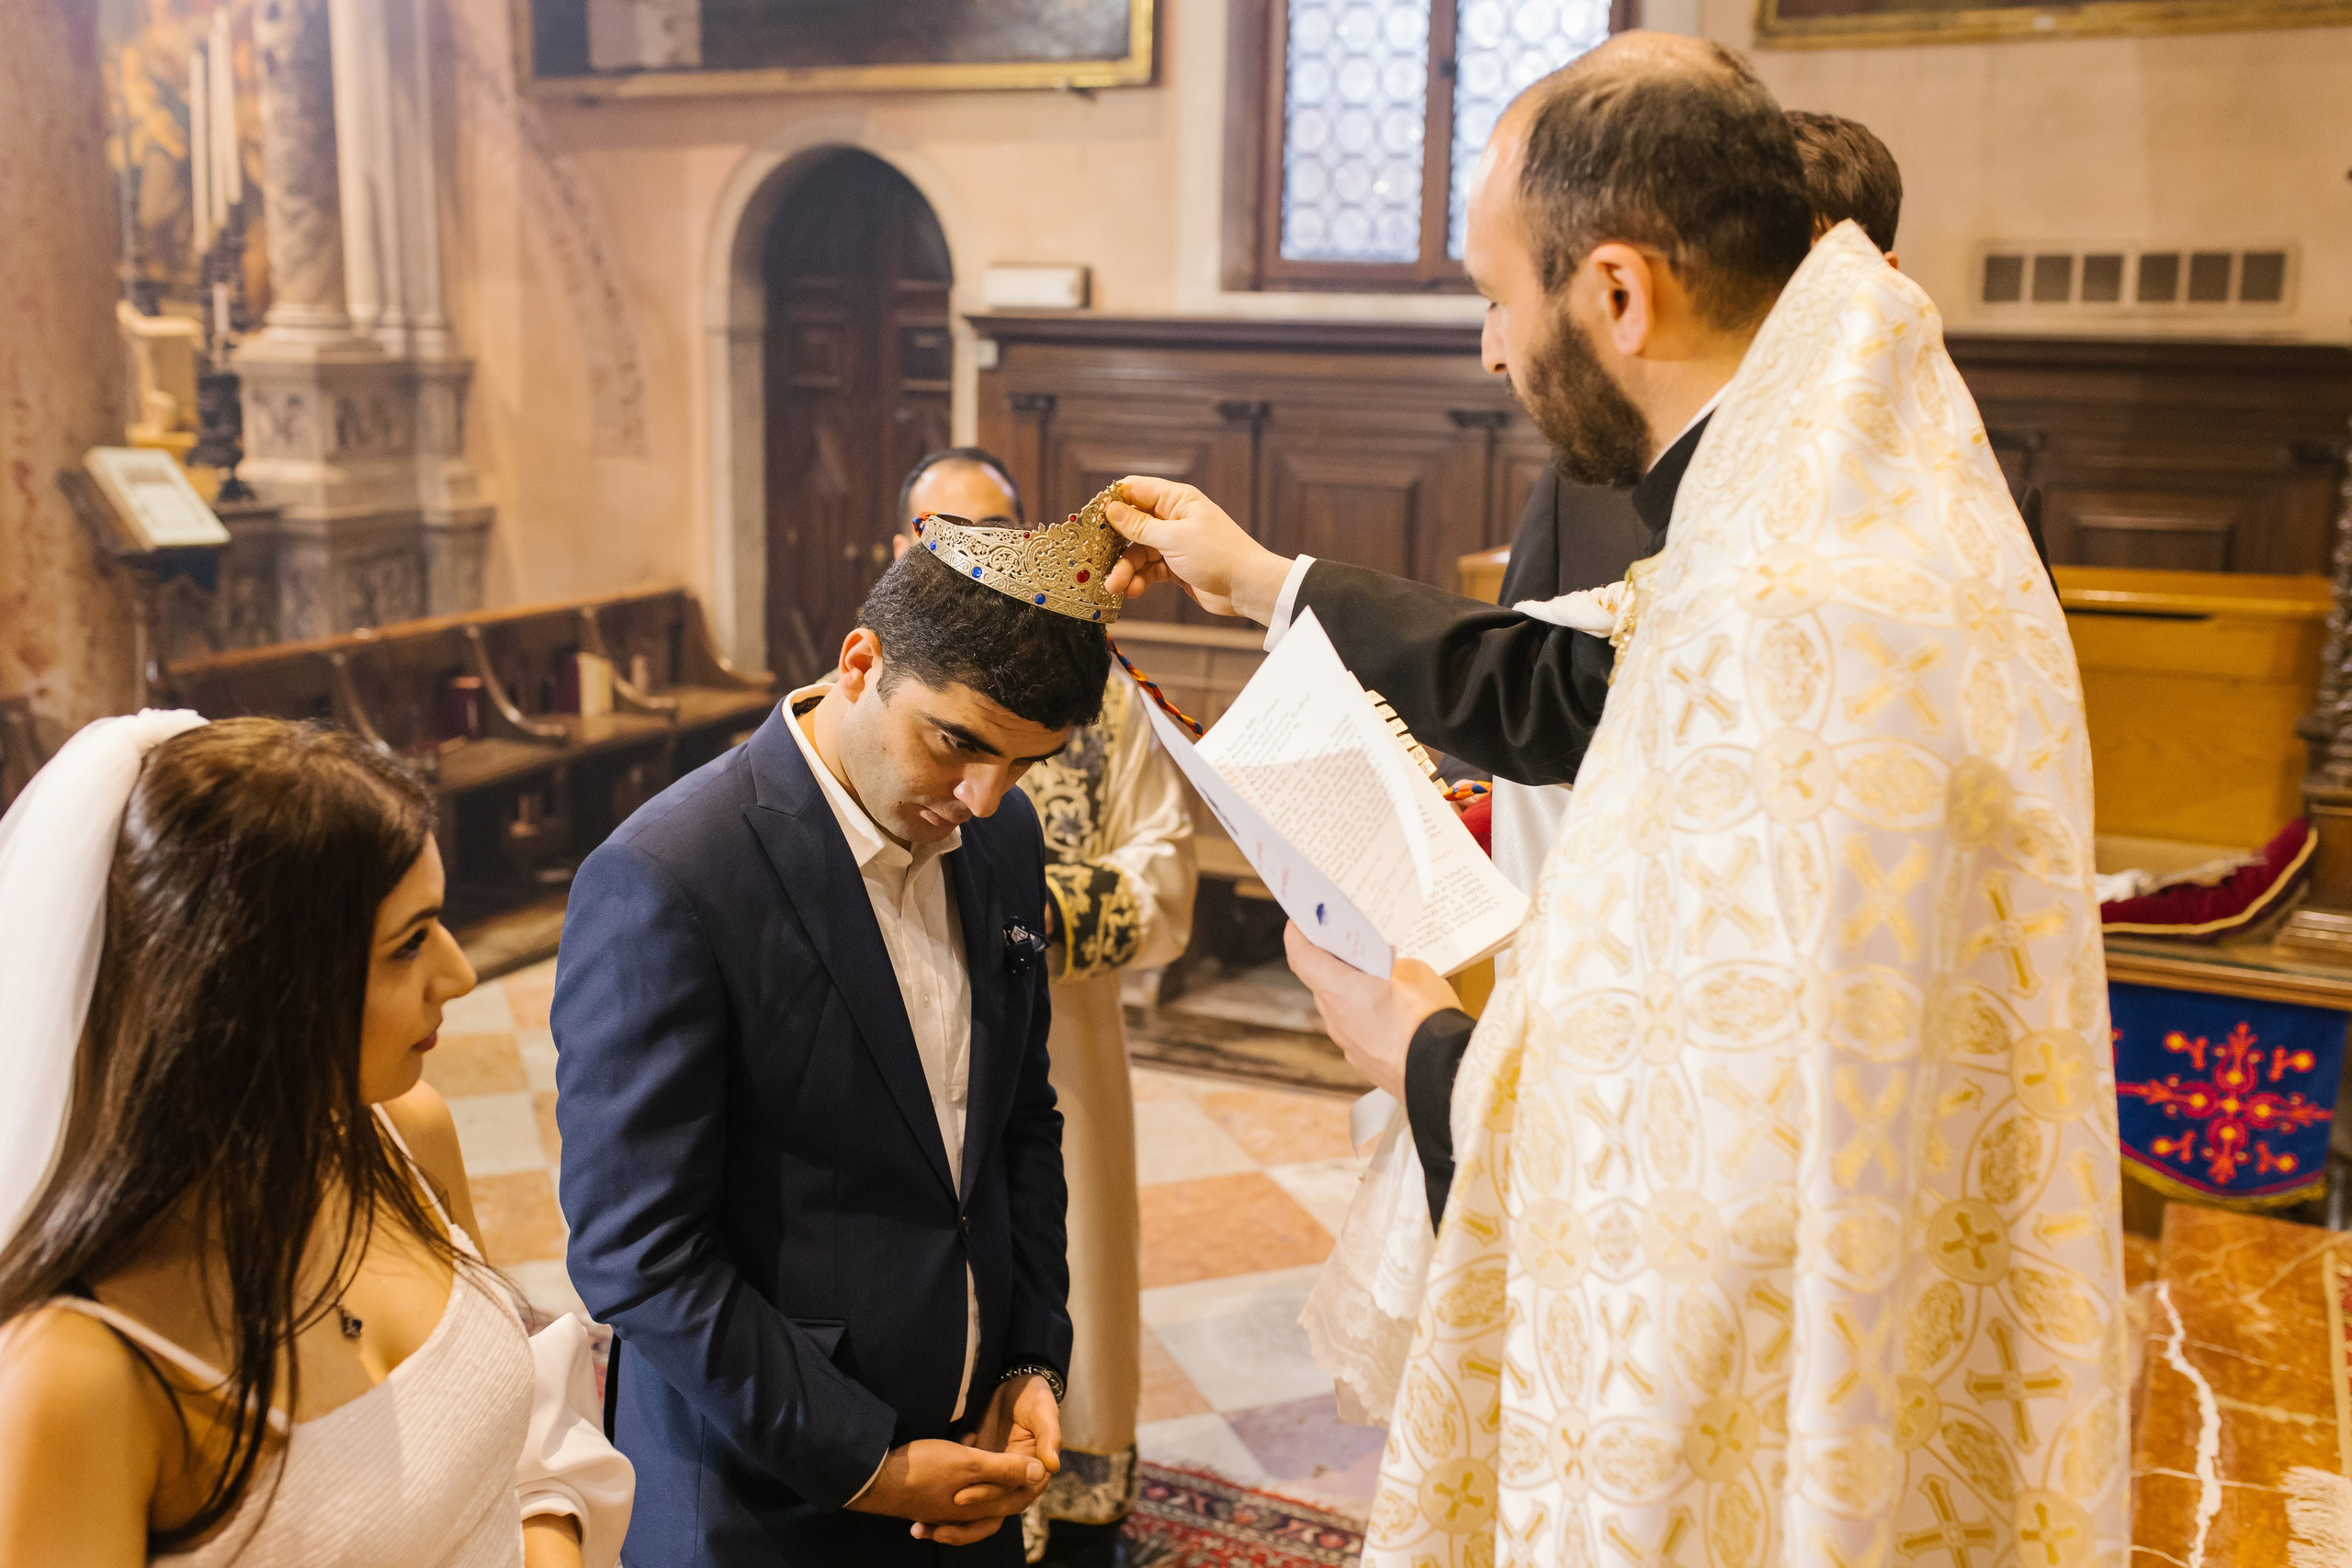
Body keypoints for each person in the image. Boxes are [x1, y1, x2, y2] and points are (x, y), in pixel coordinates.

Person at [1110, 34, 2125, 1568]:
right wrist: (1261, 580)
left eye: (1495, 294)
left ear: (1621, 294)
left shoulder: (1791, 601)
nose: (1489, 349)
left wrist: (1417, 1049)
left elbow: (1709, 1148)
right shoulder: (1840, 498)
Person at [554, 500, 1133, 1564]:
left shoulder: (1001, 834)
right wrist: (867, 1460)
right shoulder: (671, 878)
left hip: (968, 1466)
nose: (980, 796)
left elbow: (1020, 1124)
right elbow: (639, 1254)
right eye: (955, 743)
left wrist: (1028, 1365)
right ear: (859, 661)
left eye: (1024, 764)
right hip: (761, 1489)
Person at [0, 714, 631, 1566]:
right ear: (257, 987)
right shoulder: (82, 1372)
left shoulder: (403, 1139)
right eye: (409, 943)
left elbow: (518, 1435)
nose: (459, 973)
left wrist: (549, 1535)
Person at [902, 453, 1196, 1568]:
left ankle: (1075, 1514)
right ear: (906, 548)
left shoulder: (1101, 688)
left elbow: (1165, 872)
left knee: (1065, 1252)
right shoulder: (878, 684)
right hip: (907, 1043)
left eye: (998, 530)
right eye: (946, 532)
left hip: (1059, 1035)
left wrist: (1012, 916)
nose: (979, 555)